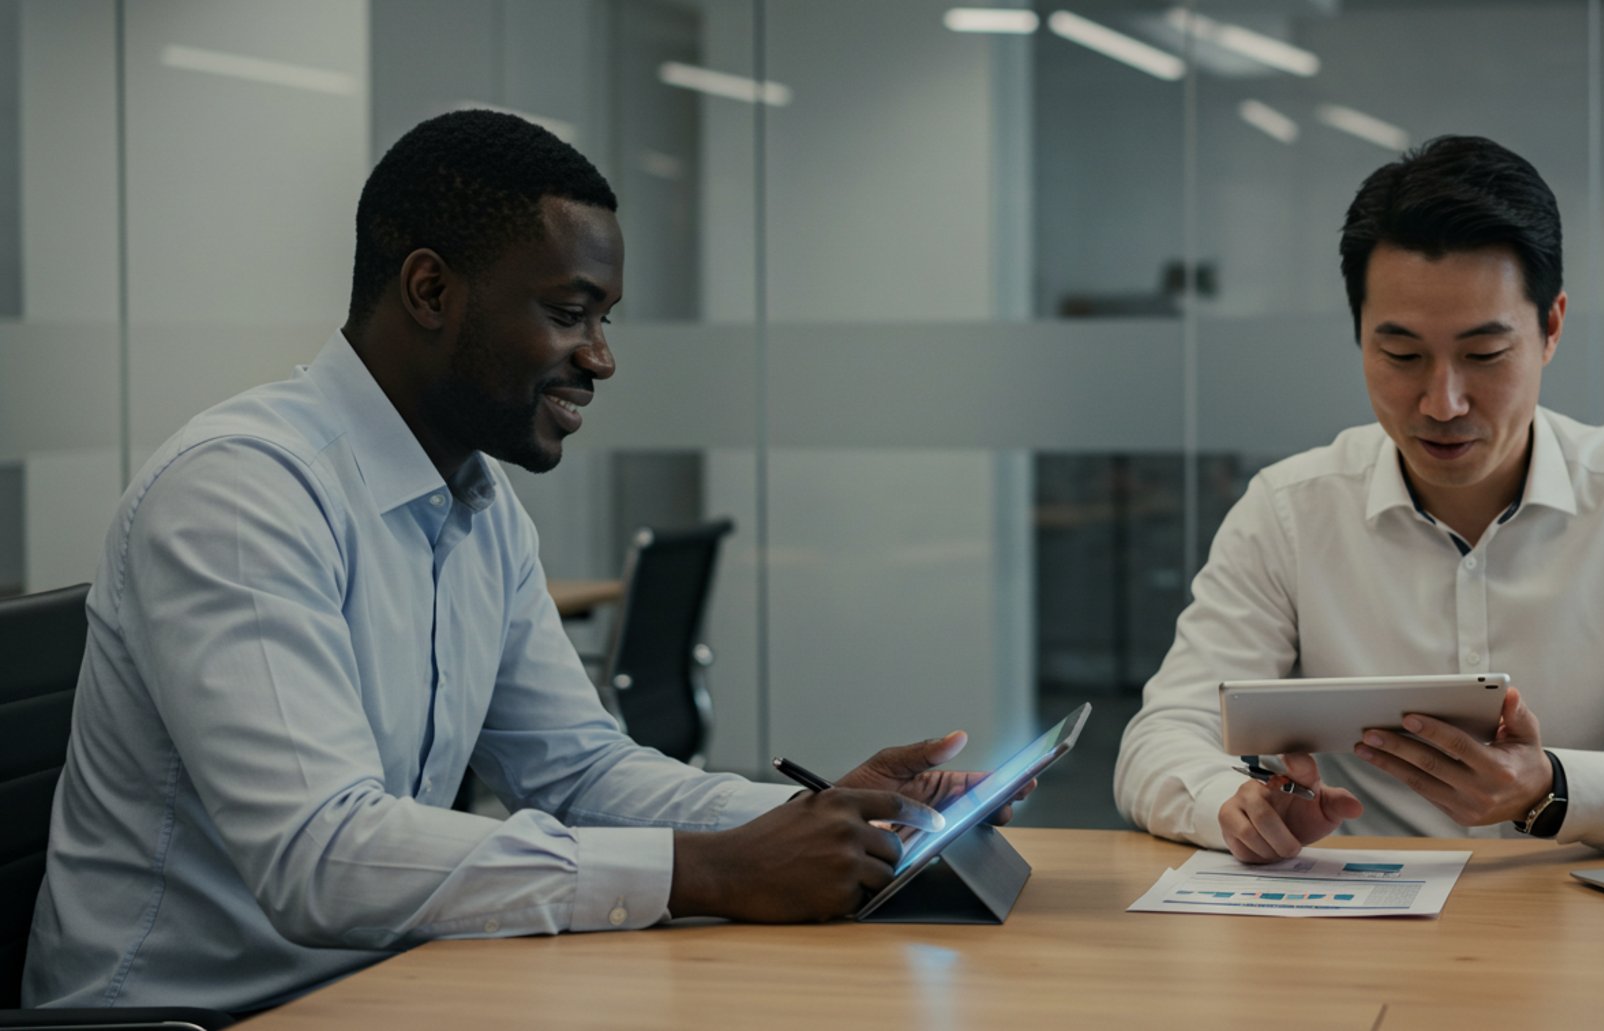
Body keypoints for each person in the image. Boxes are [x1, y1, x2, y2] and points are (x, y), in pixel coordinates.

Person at [24, 110, 1020, 1013]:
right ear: (429, 290)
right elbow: (320, 855)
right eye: (569, 310)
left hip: (381, 983)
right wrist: (706, 873)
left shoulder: (476, 504)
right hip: (198, 1013)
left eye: (605, 318)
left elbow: (577, 770)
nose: (600, 358)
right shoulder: (242, 494)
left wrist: (822, 820)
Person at [1114, 135, 1604, 864]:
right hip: (1357, 930)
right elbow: (1161, 737)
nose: (1442, 402)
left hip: (1596, 925)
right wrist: (1233, 804)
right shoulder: (1289, 510)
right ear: (1359, 335)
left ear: (1551, 326)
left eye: (1484, 355)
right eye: (1400, 354)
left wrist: (1557, 788)